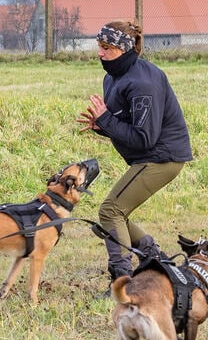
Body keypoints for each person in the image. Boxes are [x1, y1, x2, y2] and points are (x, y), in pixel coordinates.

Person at [77, 20, 193, 284]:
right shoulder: (113, 77)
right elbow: (126, 126)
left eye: (107, 48)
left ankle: (124, 280)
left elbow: (144, 138)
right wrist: (102, 125)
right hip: (151, 155)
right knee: (112, 216)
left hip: (162, 157)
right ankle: (157, 260)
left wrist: (106, 119)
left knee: (111, 211)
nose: (100, 53)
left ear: (124, 49)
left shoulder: (143, 83)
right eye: (99, 46)